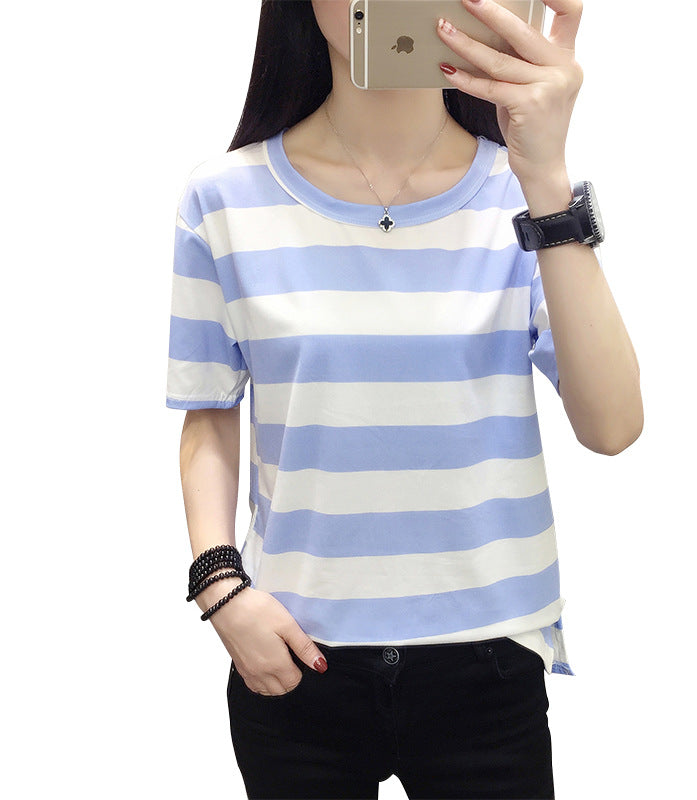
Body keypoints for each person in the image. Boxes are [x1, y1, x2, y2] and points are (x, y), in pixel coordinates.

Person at [166, 0, 642, 797]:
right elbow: (210, 411)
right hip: (292, 651)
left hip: (489, 659)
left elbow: (614, 425)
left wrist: (547, 177)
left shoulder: (522, 194)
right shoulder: (222, 198)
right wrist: (222, 590)